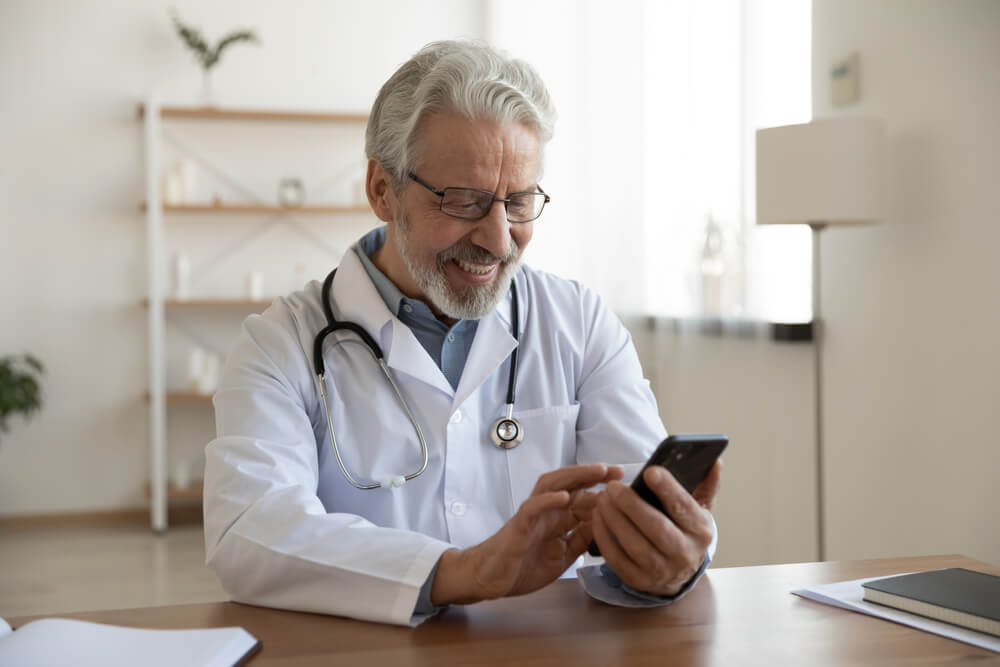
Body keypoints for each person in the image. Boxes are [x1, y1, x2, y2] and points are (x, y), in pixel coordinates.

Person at [203, 40, 722, 627]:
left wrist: (670, 557)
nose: (499, 240)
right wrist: (462, 571)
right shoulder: (281, 344)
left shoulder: (579, 322)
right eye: (466, 201)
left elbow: (639, 496)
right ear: (382, 190)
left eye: (519, 202)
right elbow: (249, 534)